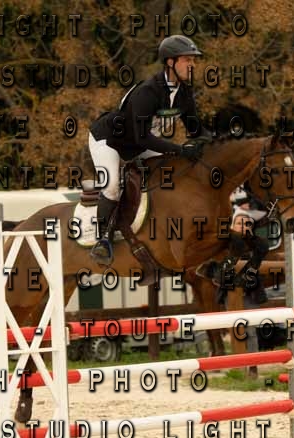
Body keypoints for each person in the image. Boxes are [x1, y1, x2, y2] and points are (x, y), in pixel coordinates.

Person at [87, 35, 213, 265]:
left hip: (139, 144)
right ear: (170, 62)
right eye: (187, 60)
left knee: (171, 171)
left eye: (193, 60)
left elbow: (195, 130)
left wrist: (213, 142)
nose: (193, 65)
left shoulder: (184, 93)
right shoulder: (148, 92)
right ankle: (102, 240)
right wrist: (180, 149)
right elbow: (143, 137)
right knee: (112, 186)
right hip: (109, 141)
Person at [212, 185, 270, 302]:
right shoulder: (223, 245)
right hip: (229, 298)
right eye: (239, 224)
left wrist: (251, 205)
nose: (243, 226)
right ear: (232, 226)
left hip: (252, 297)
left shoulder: (257, 245)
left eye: (246, 224)